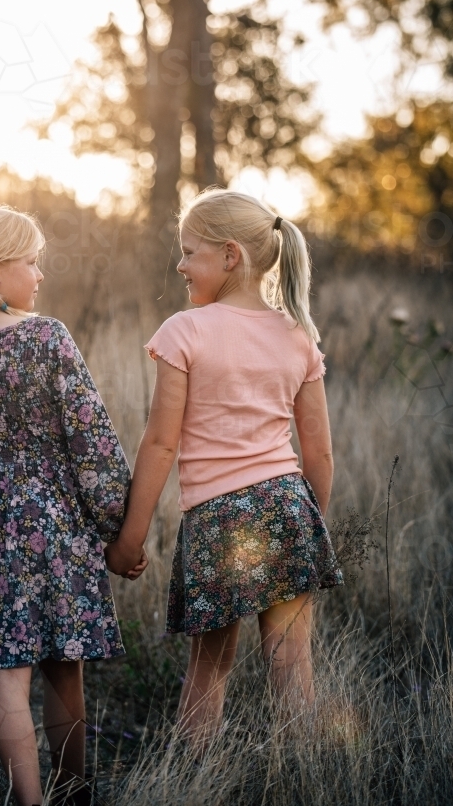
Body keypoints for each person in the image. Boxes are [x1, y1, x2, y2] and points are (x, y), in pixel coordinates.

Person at [0, 203, 146, 806]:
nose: (40, 276)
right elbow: (91, 442)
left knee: (6, 674)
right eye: (32, 263)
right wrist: (122, 529)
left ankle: (30, 801)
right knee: (66, 665)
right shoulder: (47, 337)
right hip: (56, 520)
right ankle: (72, 794)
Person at [104, 189, 343, 748]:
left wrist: (129, 541)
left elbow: (161, 443)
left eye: (190, 253)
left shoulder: (186, 331)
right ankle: (304, 779)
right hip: (288, 506)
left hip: (218, 521)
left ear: (231, 255)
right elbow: (320, 454)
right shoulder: (297, 336)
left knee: (209, 666)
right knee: (291, 665)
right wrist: (310, 528)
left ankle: (193, 776)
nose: (181, 266)